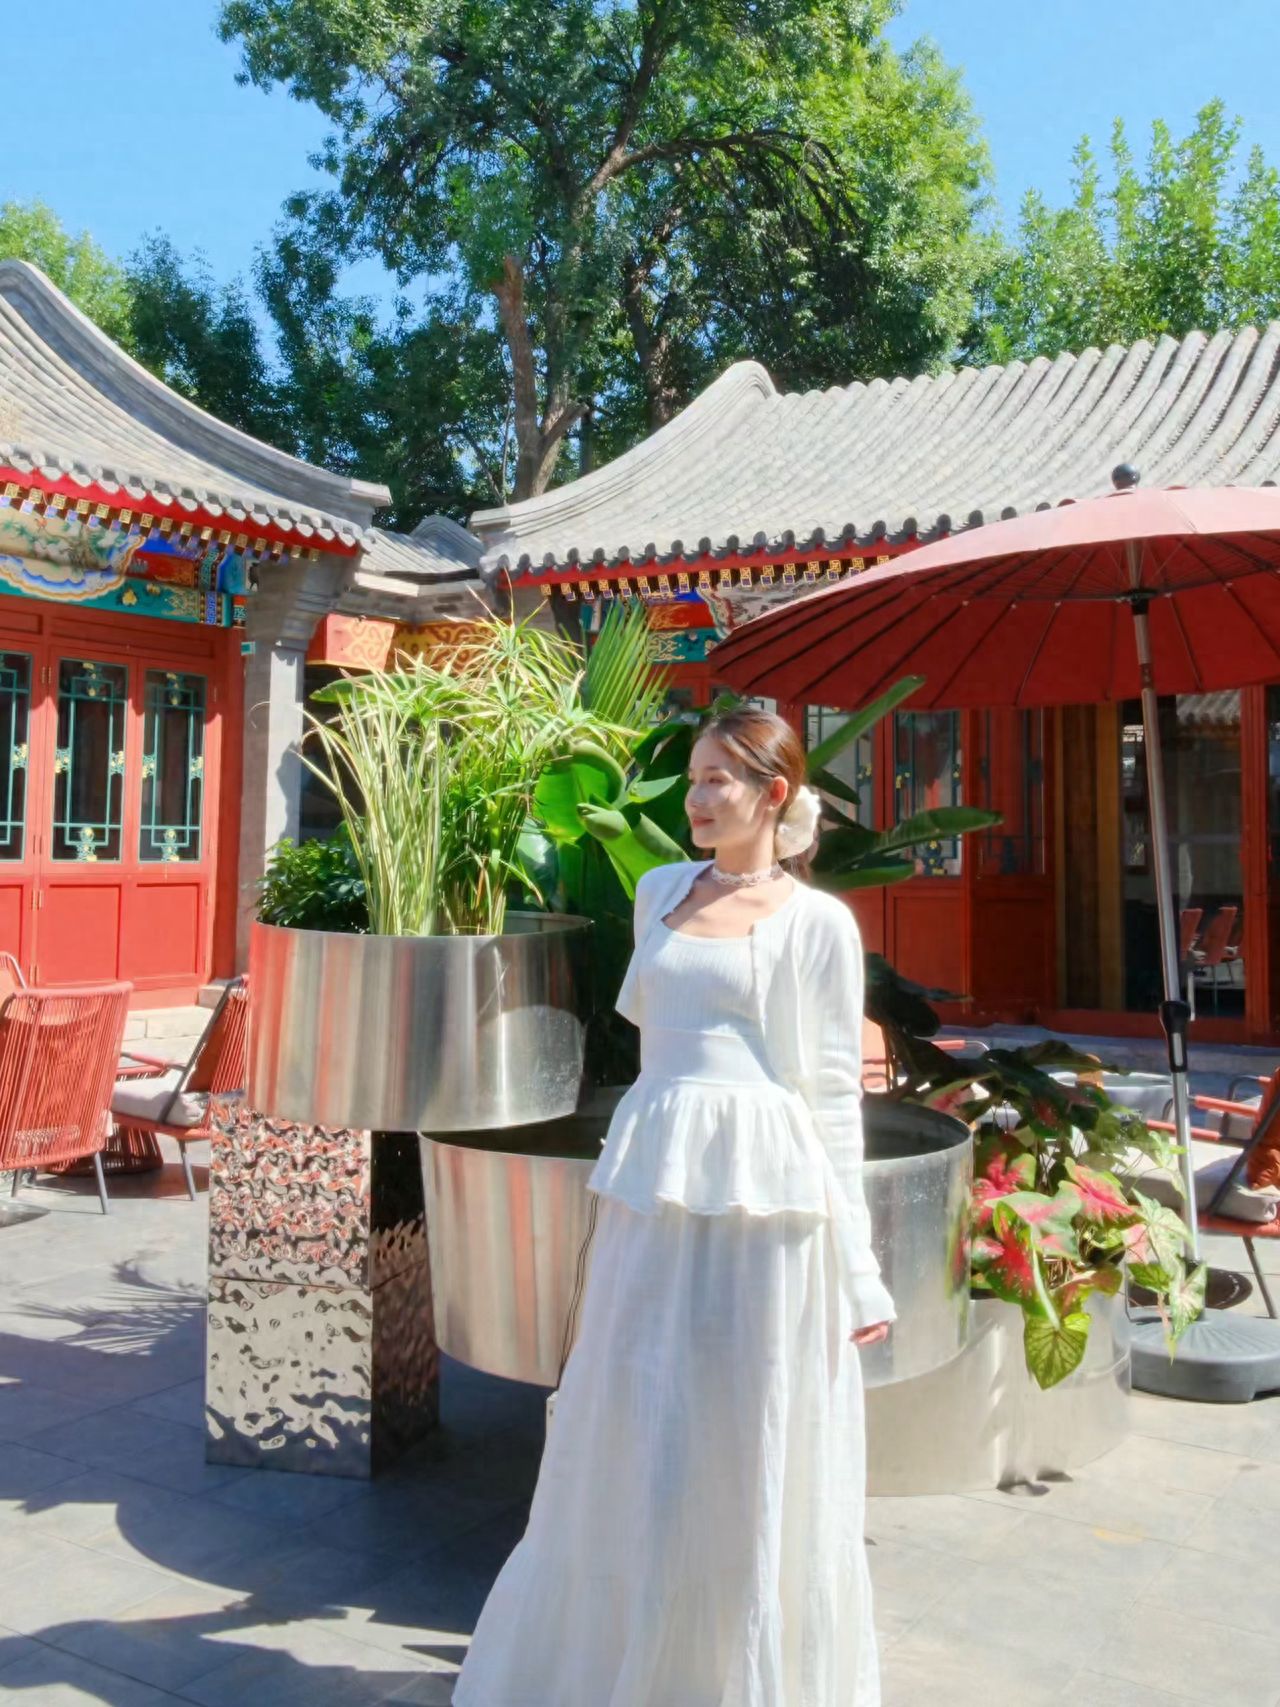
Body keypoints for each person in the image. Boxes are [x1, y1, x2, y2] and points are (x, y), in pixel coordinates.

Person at [453, 706, 895, 1707]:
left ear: (772, 795)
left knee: (744, 1423)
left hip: (765, 1197)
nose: (694, 800)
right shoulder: (656, 890)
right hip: (658, 1175)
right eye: (691, 779)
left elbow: (828, 1094)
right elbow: (661, 1043)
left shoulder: (816, 922)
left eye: (716, 783)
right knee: (635, 1409)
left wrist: (856, 1266)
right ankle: (618, 1666)